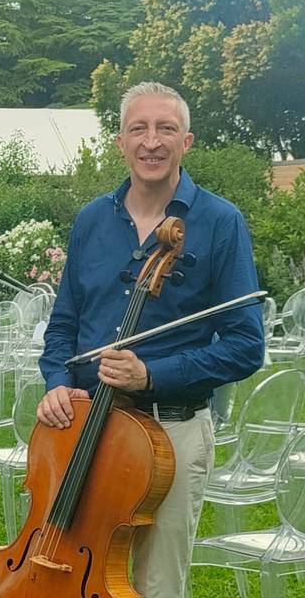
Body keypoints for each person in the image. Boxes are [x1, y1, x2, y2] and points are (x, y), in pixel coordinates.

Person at [38, 82, 265, 597]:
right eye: (138, 128)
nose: (151, 141)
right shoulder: (92, 219)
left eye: (166, 128)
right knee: (77, 569)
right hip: (87, 427)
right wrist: (54, 381)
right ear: (120, 142)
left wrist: (151, 375)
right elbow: (63, 328)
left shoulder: (220, 222)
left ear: (187, 141)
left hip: (171, 434)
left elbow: (246, 344)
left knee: (156, 584)